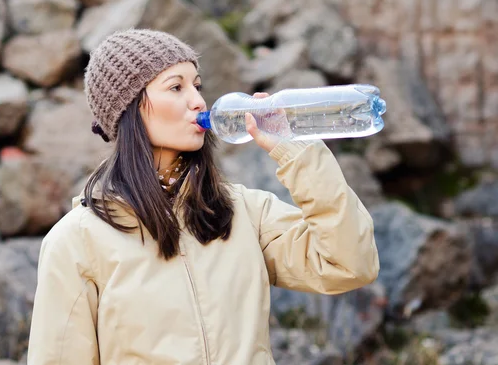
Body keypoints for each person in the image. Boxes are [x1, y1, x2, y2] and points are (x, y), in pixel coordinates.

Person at [27, 28, 379, 365]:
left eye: (197, 85)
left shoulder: (242, 212)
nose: (197, 100)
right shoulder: (77, 240)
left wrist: (300, 153)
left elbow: (349, 265)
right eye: (176, 87)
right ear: (130, 107)